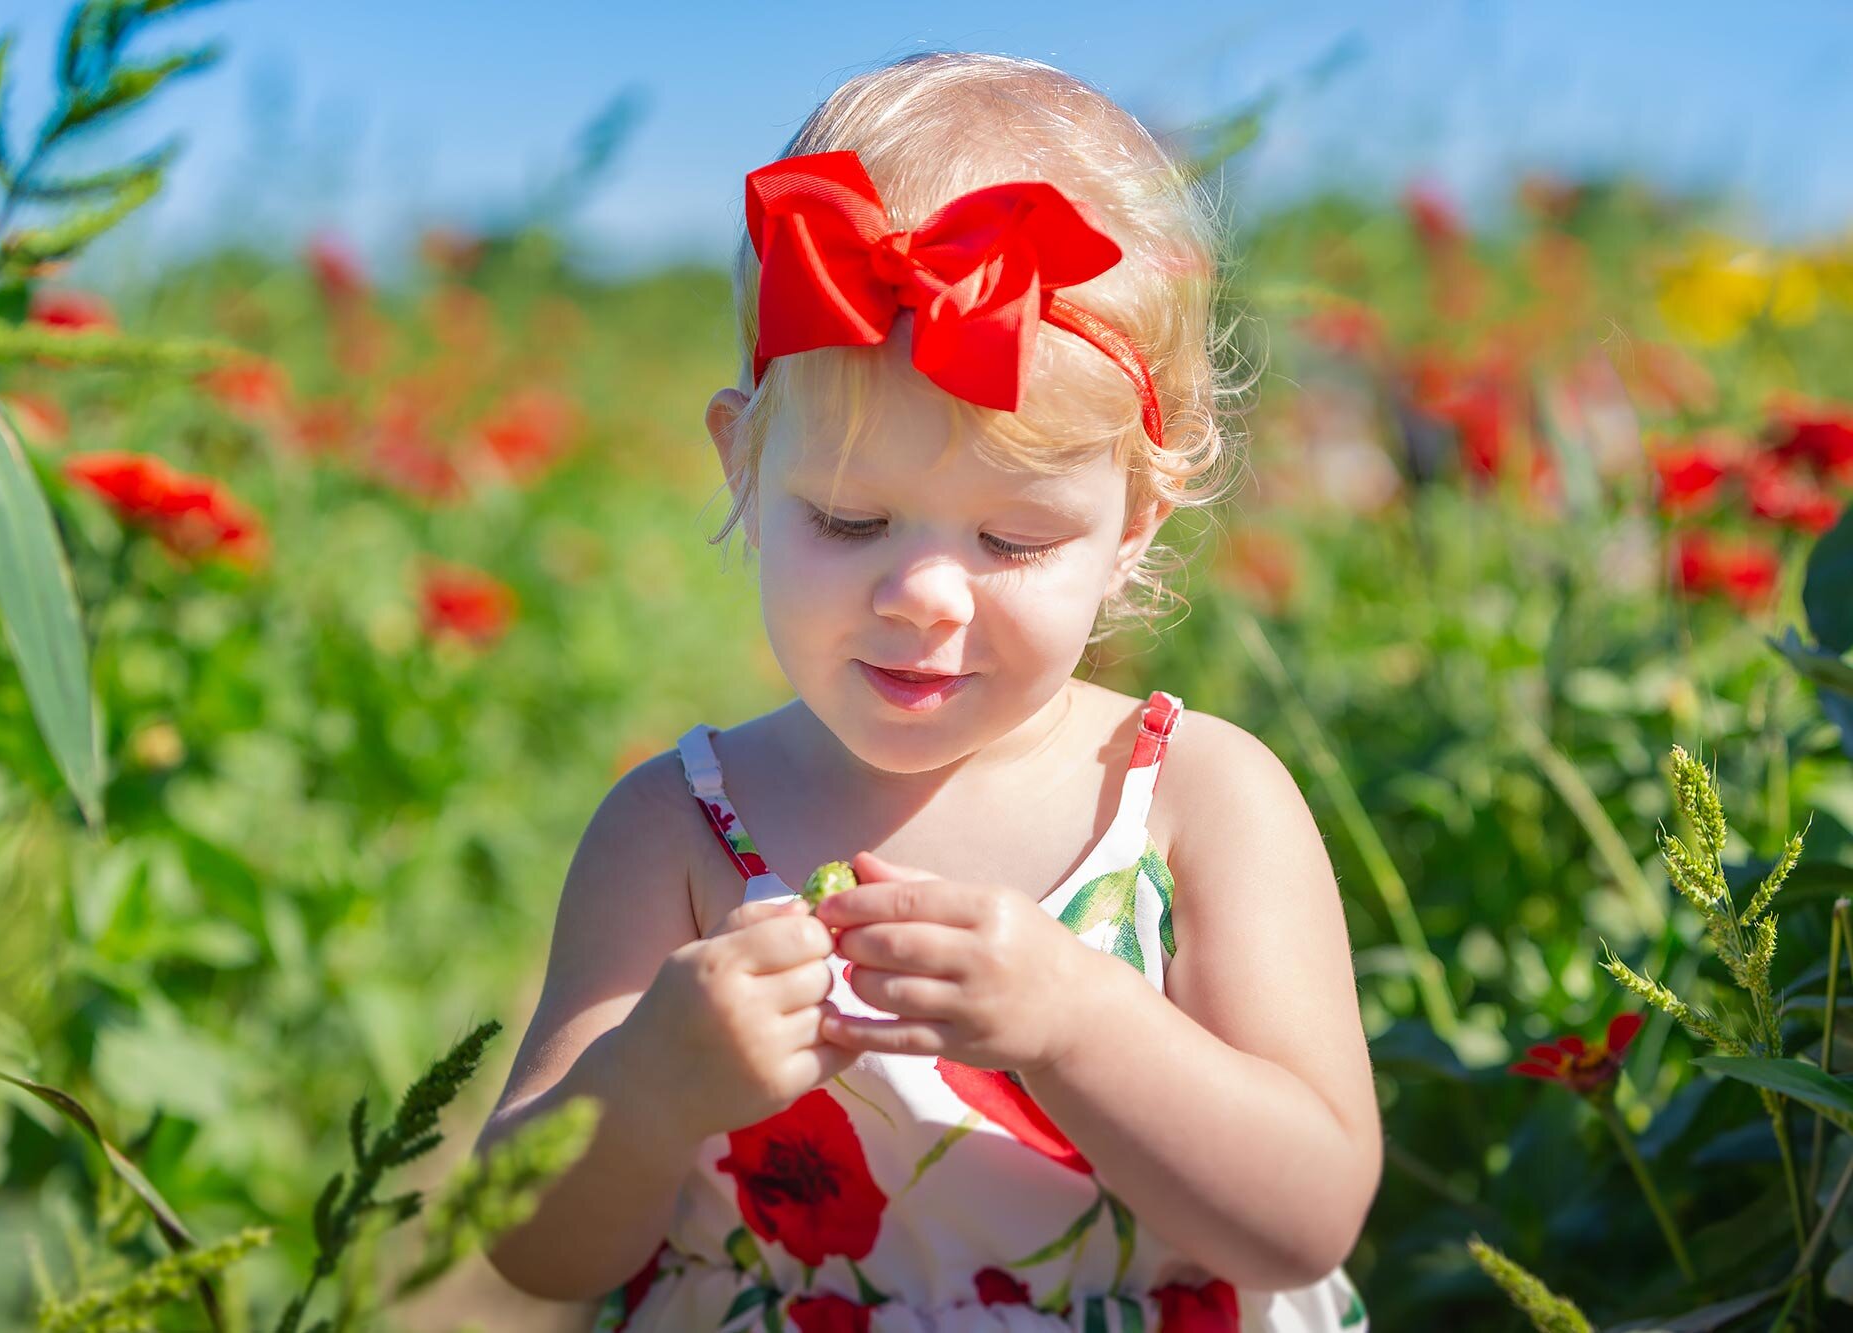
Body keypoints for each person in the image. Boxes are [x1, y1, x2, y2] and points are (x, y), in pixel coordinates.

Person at [476, 50, 1380, 1333]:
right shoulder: (675, 830)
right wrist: (651, 1084)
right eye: (848, 520)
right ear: (739, 460)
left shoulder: (1197, 801)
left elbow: (1306, 1214)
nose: (925, 597)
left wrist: (1077, 1022)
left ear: (1135, 515)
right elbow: (532, 1251)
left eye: (1010, 543)